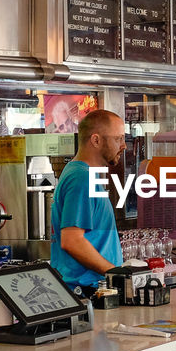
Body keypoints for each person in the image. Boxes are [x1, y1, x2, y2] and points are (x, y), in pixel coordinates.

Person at [51, 109, 125, 292]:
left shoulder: (82, 174)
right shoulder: (82, 179)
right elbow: (72, 241)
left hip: (93, 288)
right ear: (96, 140)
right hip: (86, 291)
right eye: (118, 139)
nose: (123, 146)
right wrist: (115, 272)